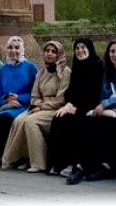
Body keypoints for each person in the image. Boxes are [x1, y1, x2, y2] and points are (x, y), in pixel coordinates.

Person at [65, 38, 116, 185]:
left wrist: (110, 104)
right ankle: (82, 165)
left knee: (107, 127)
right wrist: (108, 105)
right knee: (88, 123)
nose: (115, 54)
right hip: (110, 111)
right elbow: (103, 95)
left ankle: (106, 166)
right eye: (112, 51)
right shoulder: (107, 73)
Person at [2, 40, 72, 173]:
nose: (49, 54)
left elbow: (61, 98)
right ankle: (24, 157)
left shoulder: (65, 72)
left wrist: (42, 107)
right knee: (18, 120)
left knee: (30, 122)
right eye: (47, 51)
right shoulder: (41, 72)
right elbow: (34, 95)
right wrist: (38, 105)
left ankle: (39, 163)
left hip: (55, 109)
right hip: (39, 107)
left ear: (59, 54)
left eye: (53, 51)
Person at [47, 38, 103, 176]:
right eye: (77, 48)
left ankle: (72, 164)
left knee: (75, 122)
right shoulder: (77, 67)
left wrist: (76, 107)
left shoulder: (98, 66)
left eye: (83, 47)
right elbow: (71, 91)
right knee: (58, 119)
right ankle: (58, 163)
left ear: (89, 49)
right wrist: (69, 104)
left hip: (91, 106)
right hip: (75, 106)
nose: (80, 51)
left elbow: (95, 93)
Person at [0, 36, 38, 167]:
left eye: (17, 48)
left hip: (23, 105)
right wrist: (5, 103)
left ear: (22, 49)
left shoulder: (30, 68)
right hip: (6, 106)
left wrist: (19, 98)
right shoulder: (4, 69)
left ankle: (9, 155)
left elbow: (35, 91)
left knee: (2, 120)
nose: (13, 51)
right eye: (10, 47)